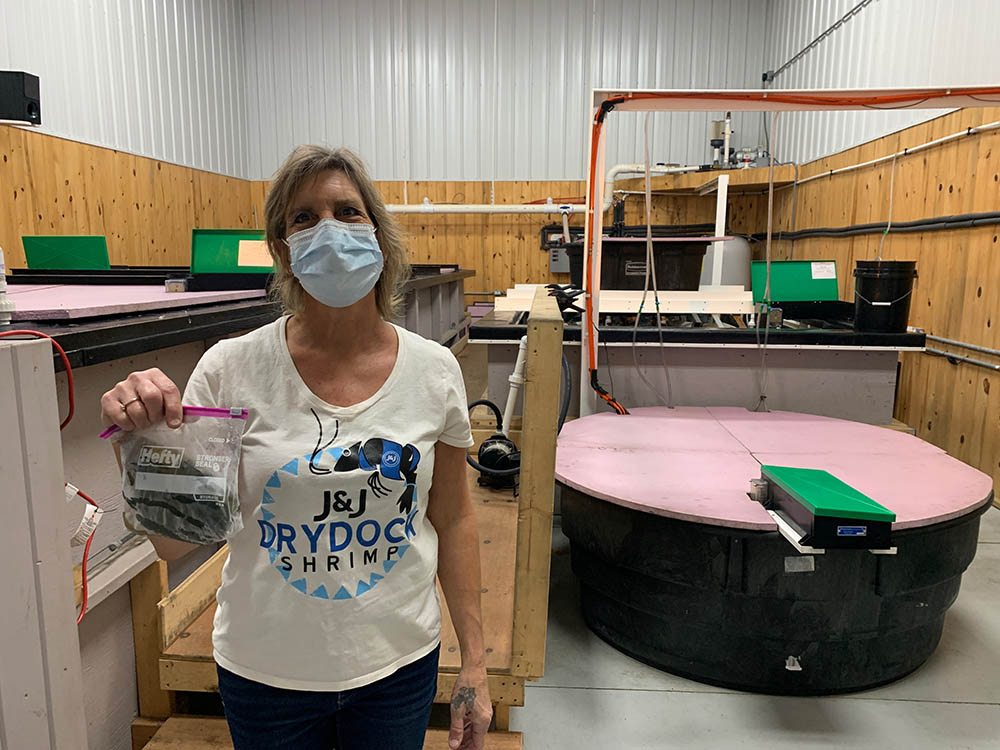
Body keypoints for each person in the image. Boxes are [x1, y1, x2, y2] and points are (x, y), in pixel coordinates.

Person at [101, 146, 492, 750]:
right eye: (304, 217)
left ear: (379, 235)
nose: (329, 229)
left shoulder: (434, 370)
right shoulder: (230, 369)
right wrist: (139, 438)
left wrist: (475, 665)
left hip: (397, 665)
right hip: (266, 676)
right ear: (282, 250)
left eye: (348, 211)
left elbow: (455, 518)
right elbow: (177, 540)